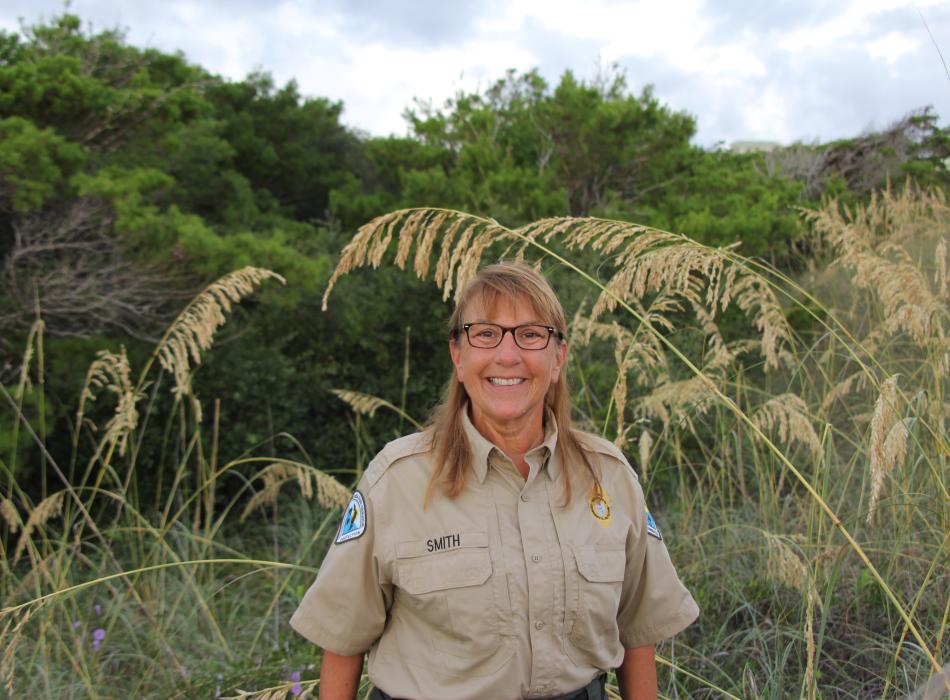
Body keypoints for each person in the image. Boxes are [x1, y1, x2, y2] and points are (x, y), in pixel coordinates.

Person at [291, 262, 699, 700]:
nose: (508, 355)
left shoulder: (610, 478)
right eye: (485, 333)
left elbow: (638, 633)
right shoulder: (396, 482)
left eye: (531, 334)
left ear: (558, 357)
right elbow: (343, 642)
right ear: (458, 354)